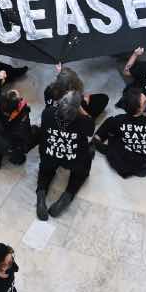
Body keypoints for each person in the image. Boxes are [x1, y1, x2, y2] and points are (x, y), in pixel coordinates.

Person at [35, 89, 96, 219]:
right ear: (77, 109)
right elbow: (91, 129)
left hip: (50, 153)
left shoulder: (48, 113)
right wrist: (81, 109)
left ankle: (41, 195)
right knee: (82, 167)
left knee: (45, 170)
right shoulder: (82, 120)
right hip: (72, 158)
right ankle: (67, 196)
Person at [95, 85, 146, 177]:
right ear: (139, 109)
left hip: (126, 159)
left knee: (112, 128)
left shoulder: (118, 120)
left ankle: (97, 139)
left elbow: (110, 124)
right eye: (145, 103)